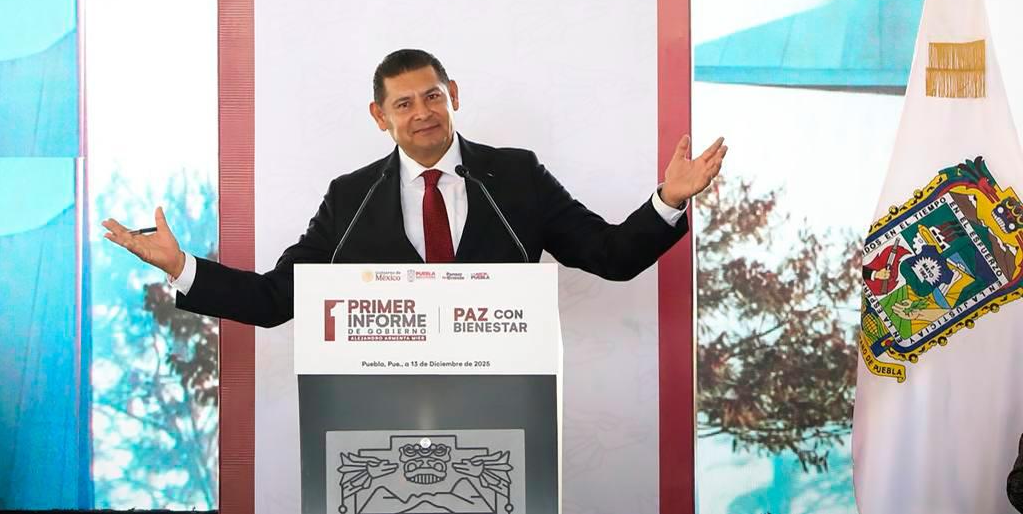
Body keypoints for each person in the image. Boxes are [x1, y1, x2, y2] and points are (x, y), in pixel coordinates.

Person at [103, 48, 726, 328]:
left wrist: (670, 200)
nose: (422, 112)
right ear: (381, 117)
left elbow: (612, 256)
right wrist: (182, 267)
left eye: (432, 96)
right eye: (404, 103)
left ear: (453, 96)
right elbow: (274, 300)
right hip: (381, 417)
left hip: (507, 404)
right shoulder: (349, 199)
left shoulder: (515, 175)